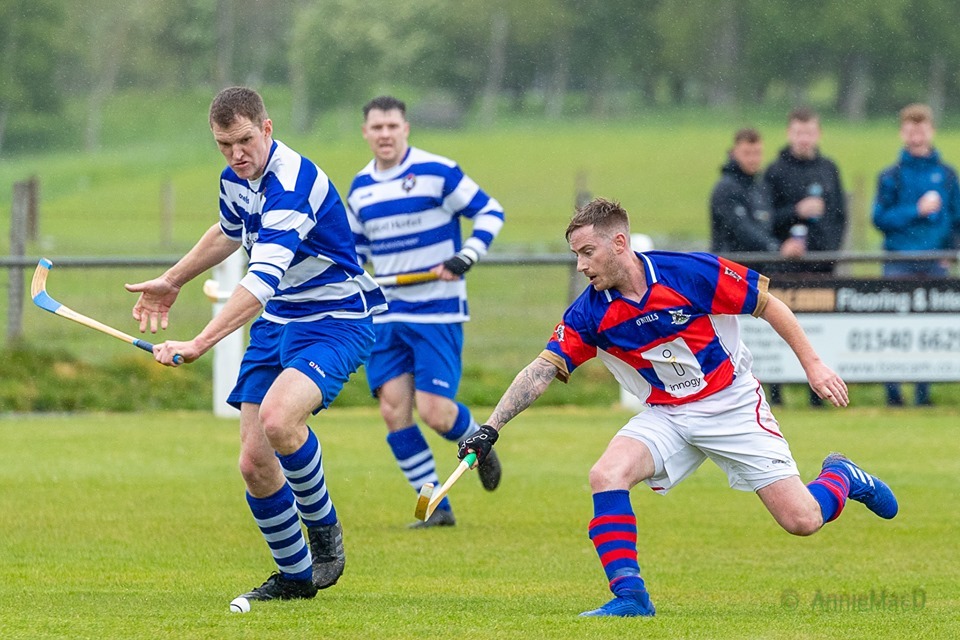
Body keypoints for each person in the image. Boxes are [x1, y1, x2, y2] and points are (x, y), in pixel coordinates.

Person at [458, 198, 898, 618]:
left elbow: (768, 304)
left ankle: (841, 475)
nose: (581, 265)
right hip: (667, 413)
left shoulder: (686, 272)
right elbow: (542, 369)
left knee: (801, 520)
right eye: (576, 255)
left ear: (619, 244)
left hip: (731, 403)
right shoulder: (590, 312)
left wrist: (814, 365)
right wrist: (490, 427)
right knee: (606, 475)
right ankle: (630, 596)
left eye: (588, 252)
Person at [125, 87, 387, 606]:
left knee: (280, 419)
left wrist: (200, 341)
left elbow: (261, 279)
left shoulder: (293, 184)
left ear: (267, 128)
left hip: (334, 320)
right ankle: (294, 578)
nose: (236, 154)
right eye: (224, 145)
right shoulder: (234, 179)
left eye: (244, 140)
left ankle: (325, 533)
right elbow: (228, 232)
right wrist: (172, 280)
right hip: (278, 321)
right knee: (253, 463)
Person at [345, 96, 505, 528]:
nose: (384, 134)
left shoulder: (438, 172)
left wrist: (466, 255)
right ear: (366, 132)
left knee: (435, 412)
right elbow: (355, 253)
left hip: (436, 310)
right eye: (376, 127)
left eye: (392, 126)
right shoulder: (360, 188)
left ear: (406, 128)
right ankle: (434, 507)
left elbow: (490, 211)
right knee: (393, 412)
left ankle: (479, 443)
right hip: (388, 313)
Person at [872, 103, 960, 406]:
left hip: (936, 263)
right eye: (910, 129)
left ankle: (924, 393)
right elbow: (880, 218)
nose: (916, 135)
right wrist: (915, 211)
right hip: (898, 262)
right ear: (902, 133)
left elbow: (957, 219)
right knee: (893, 330)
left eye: (921, 128)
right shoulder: (891, 176)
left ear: (931, 131)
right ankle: (893, 393)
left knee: (931, 329)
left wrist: (952, 250)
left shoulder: (947, 176)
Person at [764, 107, 848, 407]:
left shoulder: (829, 169)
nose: (804, 138)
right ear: (789, 133)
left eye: (809, 132)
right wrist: (794, 214)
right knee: (783, 325)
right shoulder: (775, 171)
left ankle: (820, 393)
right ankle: (776, 393)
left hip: (822, 267)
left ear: (818, 134)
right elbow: (766, 218)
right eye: (798, 132)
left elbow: (840, 216)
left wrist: (831, 253)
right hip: (786, 267)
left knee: (821, 331)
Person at [709, 127, 780, 274]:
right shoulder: (725, 188)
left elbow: (769, 222)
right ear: (734, 153)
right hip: (730, 272)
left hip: (758, 271)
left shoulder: (761, 186)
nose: (753, 159)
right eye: (747, 153)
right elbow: (741, 229)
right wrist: (775, 247)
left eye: (757, 153)